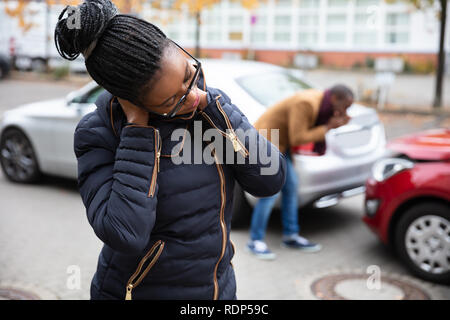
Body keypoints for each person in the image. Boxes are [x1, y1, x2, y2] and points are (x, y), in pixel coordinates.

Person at [55, 0, 286, 300]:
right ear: (132, 100)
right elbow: (126, 234)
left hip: (218, 291)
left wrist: (217, 111)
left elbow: (269, 180)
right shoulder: (100, 133)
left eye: (189, 74)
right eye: (172, 99)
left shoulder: (207, 110)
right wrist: (137, 131)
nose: (193, 95)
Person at [247, 85, 354, 259]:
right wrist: (328, 127)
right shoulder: (307, 103)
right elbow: (298, 137)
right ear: (334, 99)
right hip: (266, 141)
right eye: (346, 106)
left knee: (291, 187)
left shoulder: (323, 104)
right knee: (270, 192)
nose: (346, 111)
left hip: (281, 144)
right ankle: (255, 241)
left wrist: (332, 122)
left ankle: (290, 236)